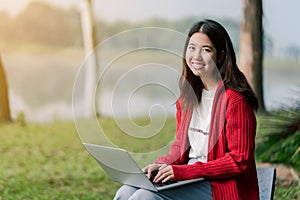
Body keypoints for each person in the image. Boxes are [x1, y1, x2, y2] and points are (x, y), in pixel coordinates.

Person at [114, 19, 259, 200]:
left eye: (206, 50)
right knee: (126, 191)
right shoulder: (188, 97)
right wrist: (161, 164)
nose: (196, 56)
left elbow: (239, 161)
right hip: (190, 175)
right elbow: (180, 147)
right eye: (192, 48)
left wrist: (184, 172)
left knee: (144, 197)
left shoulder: (236, 101)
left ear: (220, 56)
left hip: (220, 186)